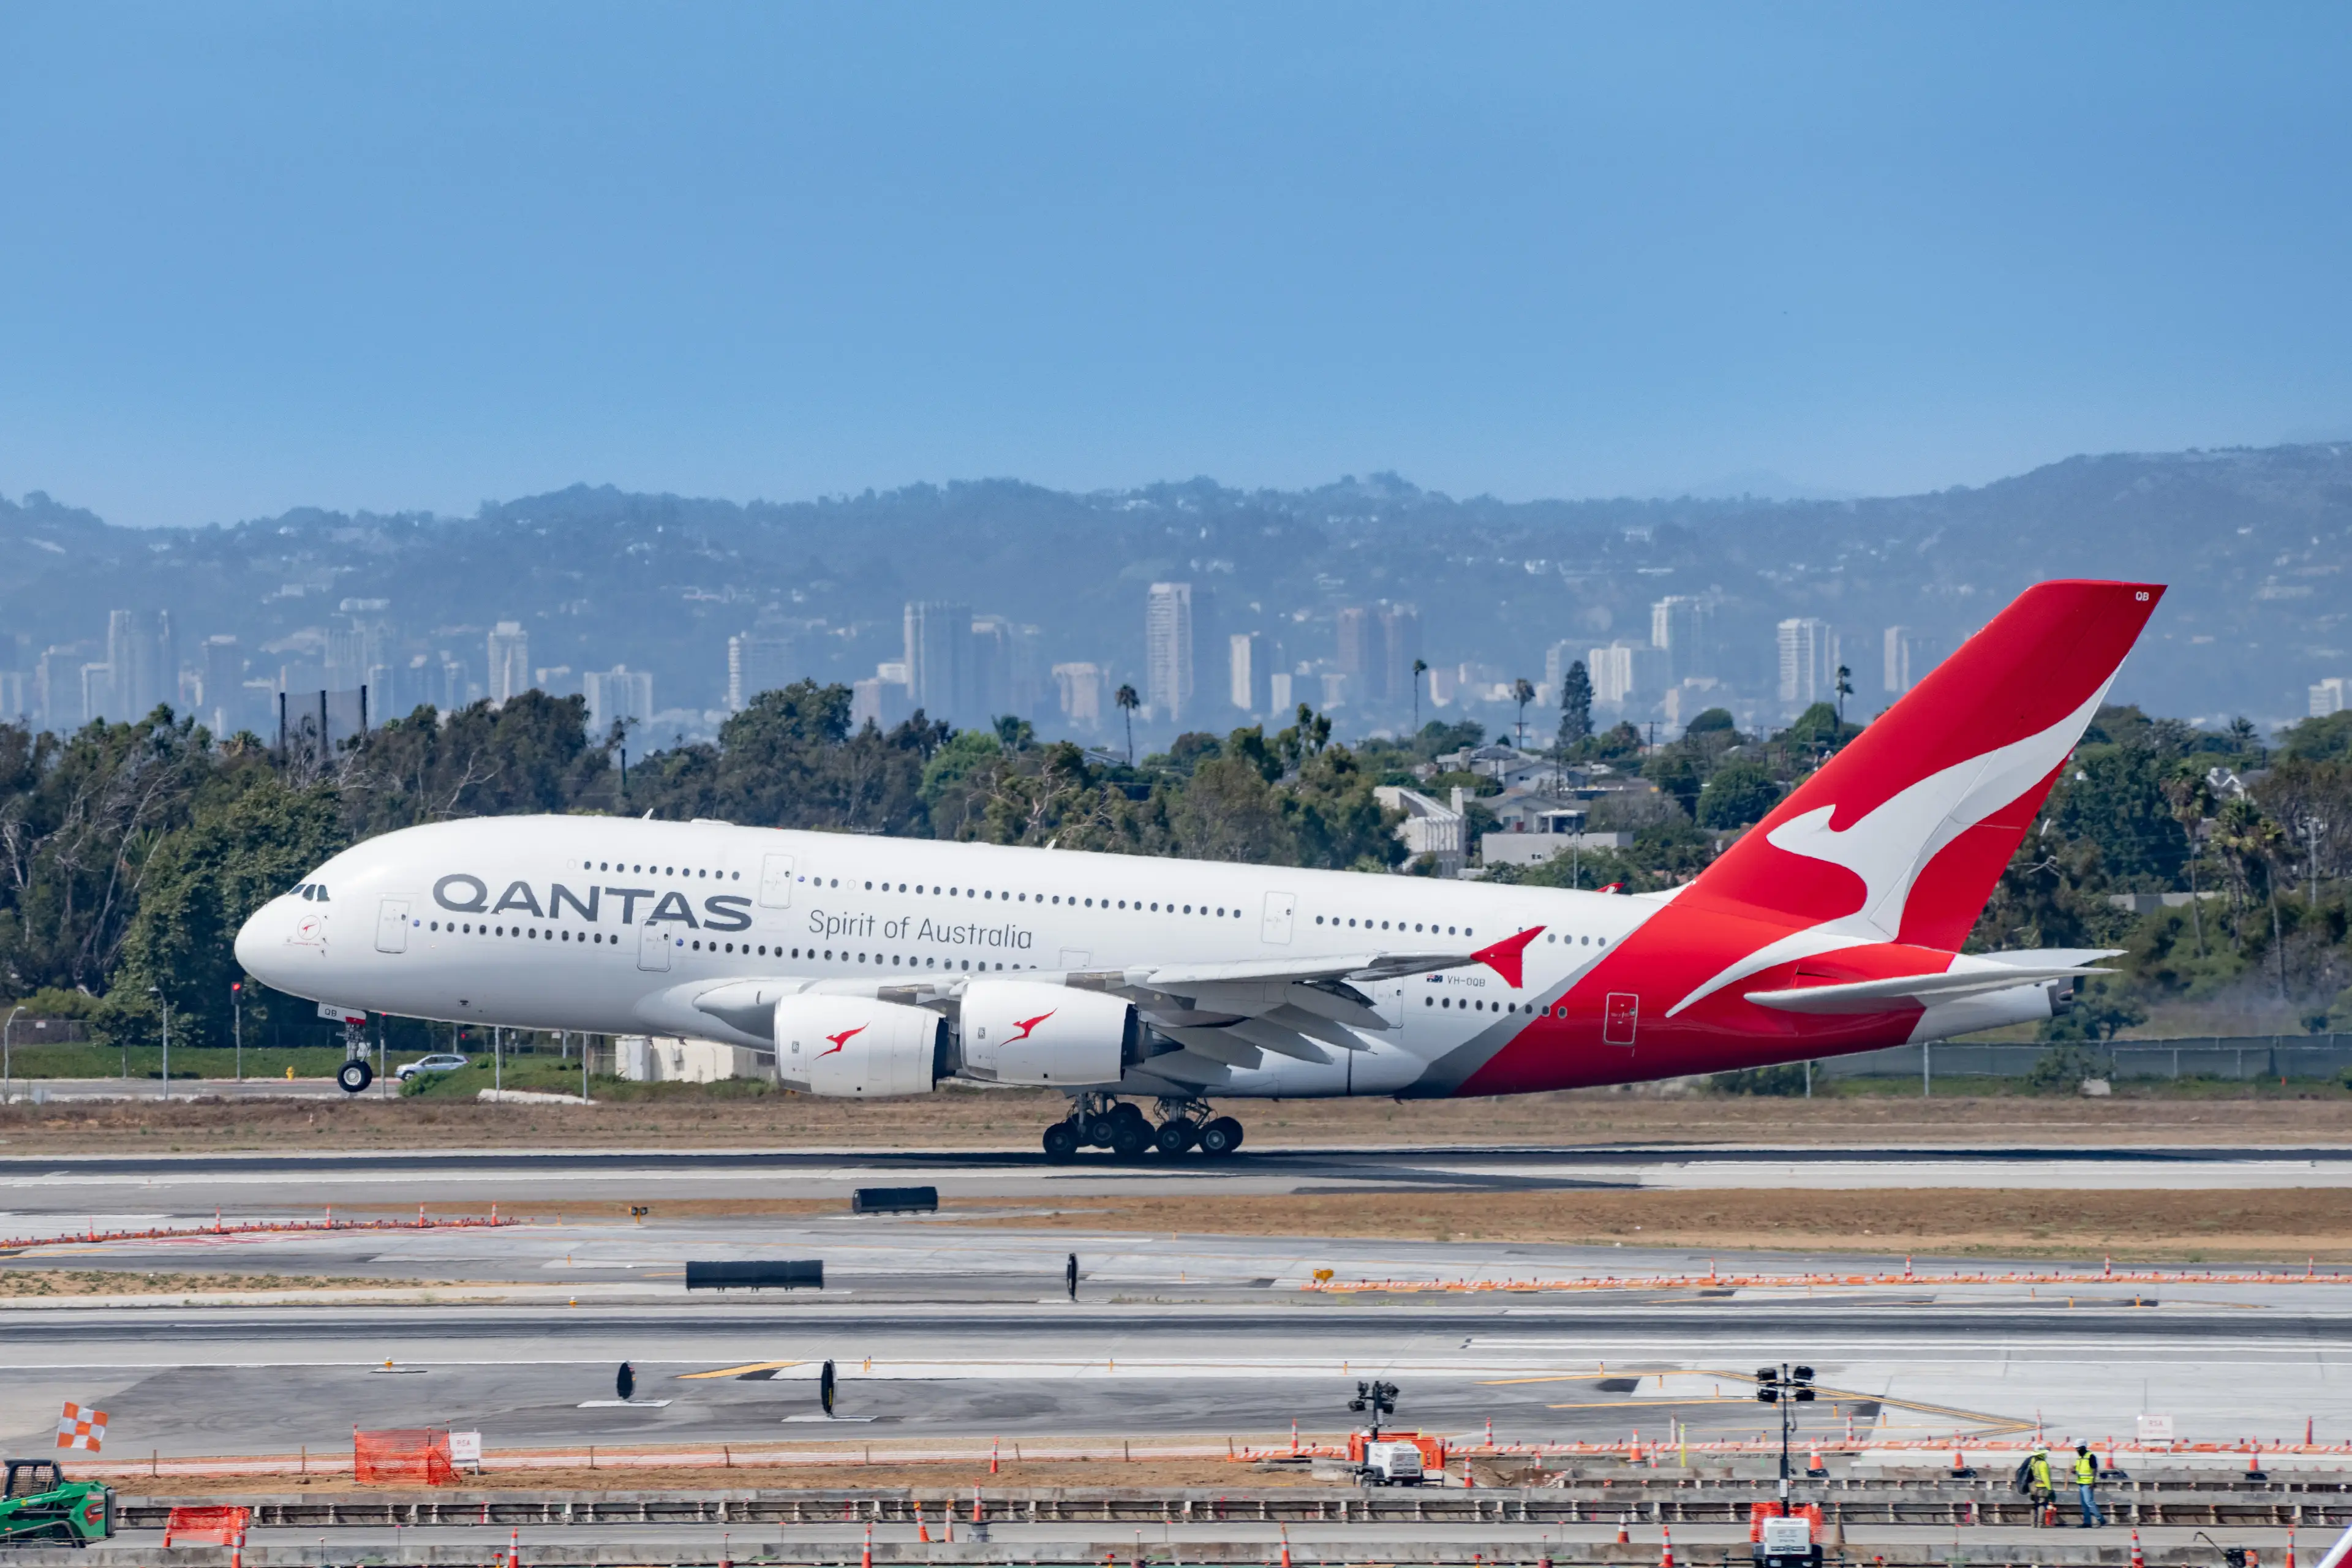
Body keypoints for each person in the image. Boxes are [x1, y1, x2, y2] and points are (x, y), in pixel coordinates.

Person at [2073, 1444, 2105, 1527]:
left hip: (2088, 1483)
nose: (2077, 1451)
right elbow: (2080, 1470)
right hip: (2081, 1483)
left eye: (2078, 1449)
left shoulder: (2090, 1456)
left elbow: (2095, 1469)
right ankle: (2087, 1522)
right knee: (2084, 1504)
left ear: (2083, 1448)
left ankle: (2100, 1519)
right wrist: (2074, 1471)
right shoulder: (2080, 1458)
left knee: (2089, 1503)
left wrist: (2093, 1482)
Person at [2027, 1446, 2054, 1521]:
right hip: (2042, 1486)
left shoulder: (2033, 1462)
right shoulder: (2043, 1464)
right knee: (2042, 1504)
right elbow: (2045, 1477)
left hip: (2033, 1486)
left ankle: (2033, 1523)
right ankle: (2040, 1523)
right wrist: (2050, 1489)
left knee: (2035, 1504)